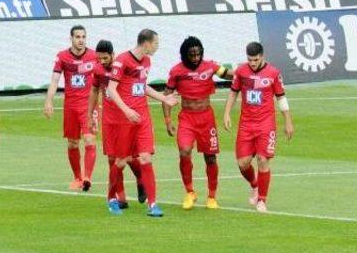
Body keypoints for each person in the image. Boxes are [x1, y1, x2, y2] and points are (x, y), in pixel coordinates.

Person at [106, 29, 178, 216]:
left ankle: (152, 205)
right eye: (156, 43)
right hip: (126, 118)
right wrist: (126, 110)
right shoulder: (122, 60)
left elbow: (142, 85)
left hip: (142, 117)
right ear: (146, 43)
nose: (157, 46)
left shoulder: (147, 61)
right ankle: (111, 198)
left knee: (145, 158)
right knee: (121, 161)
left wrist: (164, 98)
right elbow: (111, 89)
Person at [162, 36, 234, 210]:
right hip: (187, 118)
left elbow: (231, 74)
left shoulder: (211, 66)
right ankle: (189, 192)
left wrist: (251, 71)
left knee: (210, 157)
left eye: (198, 54)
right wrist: (168, 120)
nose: (195, 58)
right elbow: (166, 97)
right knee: (184, 151)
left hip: (206, 119)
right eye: (191, 55)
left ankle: (212, 197)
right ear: (184, 55)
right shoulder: (176, 71)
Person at [223, 42, 294, 213]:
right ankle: (255, 186)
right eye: (250, 60)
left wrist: (288, 121)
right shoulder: (241, 71)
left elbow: (281, 97)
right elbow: (233, 92)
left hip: (266, 124)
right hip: (246, 124)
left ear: (262, 56)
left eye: (255, 59)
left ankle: (262, 200)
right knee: (242, 163)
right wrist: (226, 113)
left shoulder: (273, 73)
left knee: (263, 160)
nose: (252, 63)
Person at [87, 40, 145, 209]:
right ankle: (122, 198)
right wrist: (90, 115)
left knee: (127, 156)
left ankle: (141, 179)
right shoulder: (97, 69)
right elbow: (94, 91)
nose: (102, 62)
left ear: (113, 54)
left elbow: (139, 85)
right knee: (112, 158)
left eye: (105, 58)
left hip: (126, 115)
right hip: (109, 118)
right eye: (99, 59)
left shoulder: (123, 65)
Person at [44, 25, 98, 191]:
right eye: (77, 37)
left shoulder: (93, 56)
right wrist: (49, 101)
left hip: (88, 106)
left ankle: (87, 177)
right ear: (71, 38)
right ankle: (77, 177)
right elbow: (54, 80)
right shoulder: (62, 57)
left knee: (90, 139)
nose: (81, 40)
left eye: (83, 37)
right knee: (73, 143)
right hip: (71, 106)